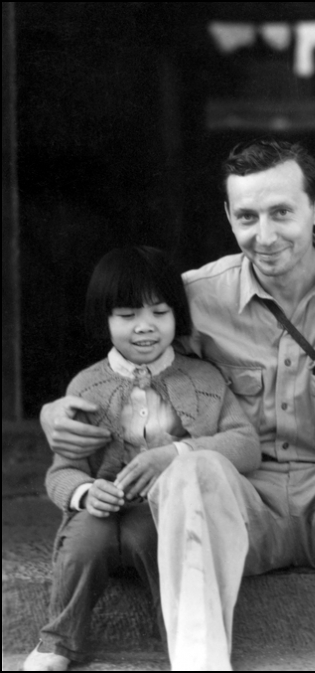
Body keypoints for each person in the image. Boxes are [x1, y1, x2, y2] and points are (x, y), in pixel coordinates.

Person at [41, 140, 315, 671]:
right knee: (189, 470)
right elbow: (132, 354)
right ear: (229, 217)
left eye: (282, 212)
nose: (266, 234)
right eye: (248, 216)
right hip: (243, 506)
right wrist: (59, 409)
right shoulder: (196, 297)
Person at [25, 246, 259, 672]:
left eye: (159, 312)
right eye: (127, 315)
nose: (145, 327)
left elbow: (245, 444)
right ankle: (60, 640)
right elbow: (62, 471)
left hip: (162, 512)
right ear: (105, 320)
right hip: (99, 512)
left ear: (178, 316)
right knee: (81, 548)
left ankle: (181, 639)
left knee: (159, 546)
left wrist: (177, 455)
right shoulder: (87, 385)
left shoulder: (203, 378)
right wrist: (82, 493)